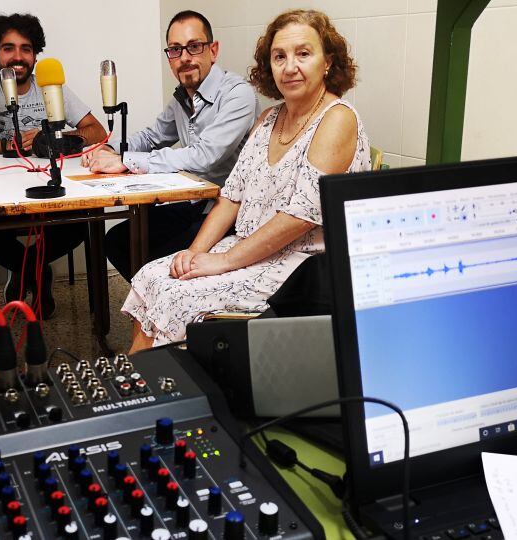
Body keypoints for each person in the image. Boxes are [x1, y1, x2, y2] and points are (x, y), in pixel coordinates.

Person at [122, 9, 371, 353]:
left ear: (327, 62)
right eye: (279, 56)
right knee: (153, 276)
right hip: (248, 247)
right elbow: (231, 197)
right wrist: (195, 253)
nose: (289, 66)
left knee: (176, 294)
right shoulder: (270, 118)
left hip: (302, 266)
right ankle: (144, 386)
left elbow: (299, 217)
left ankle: (151, 390)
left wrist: (224, 260)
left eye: (303, 53)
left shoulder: (337, 119)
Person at [0, 12, 107, 319]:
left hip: (49, 192)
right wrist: (8, 146)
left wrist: (51, 136)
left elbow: (97, 131)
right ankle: (37, 273)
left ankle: (25, 271)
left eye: (26, 49)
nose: (18, 57)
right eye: (8, 48)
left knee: (83, 221)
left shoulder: (51, 86)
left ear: (35, 55)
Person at [82, 10, 257, 282]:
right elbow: (152, 136)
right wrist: (107, 149)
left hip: (228, 211)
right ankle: (157, 311)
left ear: (213, 50)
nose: (184, 57)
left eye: (194, 47)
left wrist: (127, 161)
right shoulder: (182, 98)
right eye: (175, 50)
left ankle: (168, 309)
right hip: (193, 203)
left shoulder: (238, 94)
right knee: (118, 240)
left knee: (158, 262)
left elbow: (205, 157)